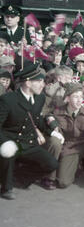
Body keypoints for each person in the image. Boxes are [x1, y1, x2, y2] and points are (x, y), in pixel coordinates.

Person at [0, 63, 59, 199]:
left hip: (29, 142)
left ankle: (18, 178)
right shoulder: (8, 100)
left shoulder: (40, 98)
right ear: (27, 82)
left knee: (51, 163)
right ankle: (6, 187)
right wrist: (5, 142)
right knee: (8, 153)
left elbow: (36, 121)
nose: (42, 85)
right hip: (10, 141)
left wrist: (51, 132)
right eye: (38, 81)